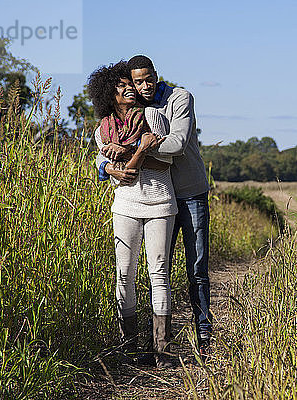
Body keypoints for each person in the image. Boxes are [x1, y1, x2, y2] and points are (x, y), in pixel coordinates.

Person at [89, 61, 177, 367]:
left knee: (159, 272)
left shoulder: (153, 115)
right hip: (125, 205)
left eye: (130, 84)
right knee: (123, 274)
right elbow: (105, 166)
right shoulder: (103, 128)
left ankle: (161, 349)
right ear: (108, 94)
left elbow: (165, 162)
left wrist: (127, 157)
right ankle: (129, 346)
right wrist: (122, 161)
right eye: (120, 86)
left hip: (160, 203)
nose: (128, 89)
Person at [127, 55, 213, 354]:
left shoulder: (180, 98)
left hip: (190, 193)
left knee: (197, 266)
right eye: (138, 81)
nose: (144, 85)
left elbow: (176, 144)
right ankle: (162, 340)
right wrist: (108, 163)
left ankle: (204, 335)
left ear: (156, 75)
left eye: (148, 78)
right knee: (158, 269)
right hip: (158, 198)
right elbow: (106, 138)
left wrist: (132, 151)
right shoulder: (129, 105)